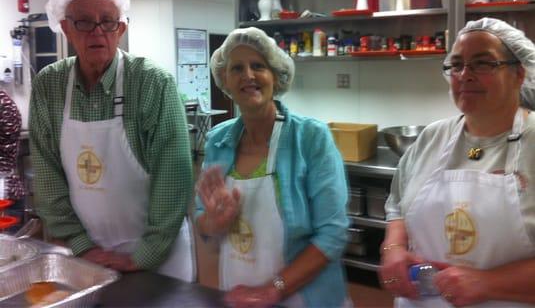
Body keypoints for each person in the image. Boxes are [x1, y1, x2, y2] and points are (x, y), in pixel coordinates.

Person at [29, 0, 195, 281]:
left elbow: (174, 177)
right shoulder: (48, 86)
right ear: (66, 28)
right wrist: (83, 247)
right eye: (84, 22)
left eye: (107, 21)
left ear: (120, 29)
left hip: (159, 258)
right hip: (87, 258)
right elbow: (48, 178)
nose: (97, 31)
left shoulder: (152, 83)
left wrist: (144, 255)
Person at [380, 17, 535, 307]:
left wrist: (489, 283)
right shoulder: (432, 137)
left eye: (483, 63)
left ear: (519, 74)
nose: (465, 75)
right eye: (456, 65)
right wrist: (394, 247)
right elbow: (397, 205)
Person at [195, 27, 351, 307]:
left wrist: (272, 290)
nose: (248, 75)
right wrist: (212, 221)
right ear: (225, 80)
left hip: (303, 297)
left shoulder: (311, 138)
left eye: (258, 66)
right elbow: (202, 222)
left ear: (276, 76)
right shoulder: (218, 140)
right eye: (237, 68)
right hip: (239, 292)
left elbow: (333, 233)